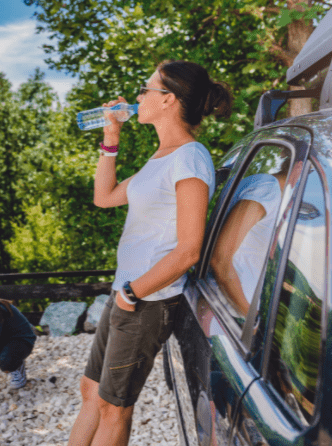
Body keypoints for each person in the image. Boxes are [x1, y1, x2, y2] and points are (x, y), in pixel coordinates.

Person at [68, 60, 233, 446]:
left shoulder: (190, 158)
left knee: (114, 409)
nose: (138, 97)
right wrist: (111, 136)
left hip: (147, 300)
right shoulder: (161, 156)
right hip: (126, 293)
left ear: (168, 100)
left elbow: (189, 248)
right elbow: (104, 197)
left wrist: (132, 293)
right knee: (90, 391)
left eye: (146, 89)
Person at [210, 152, 290, 318]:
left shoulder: (258, 184)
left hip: (222, 307)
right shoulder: (266, 190)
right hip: (225, 312)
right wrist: (251, 318)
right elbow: (220, 260)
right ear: (299, 167)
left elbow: (269, 252)